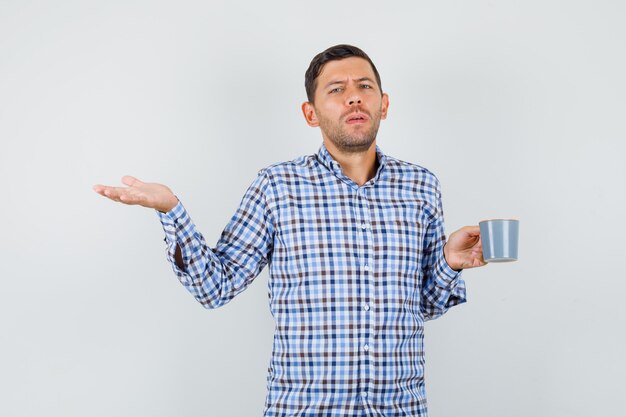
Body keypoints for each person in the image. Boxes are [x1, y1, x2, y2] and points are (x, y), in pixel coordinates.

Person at [93, 44, 486, 417]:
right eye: (337, 89)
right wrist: (172, 210)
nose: (354, 97)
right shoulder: (277, 187)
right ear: (310, 113)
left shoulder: (421, 186)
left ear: (384, 105)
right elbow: (213, 288)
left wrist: (450, 262)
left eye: (365, 87)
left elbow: (428, 305)